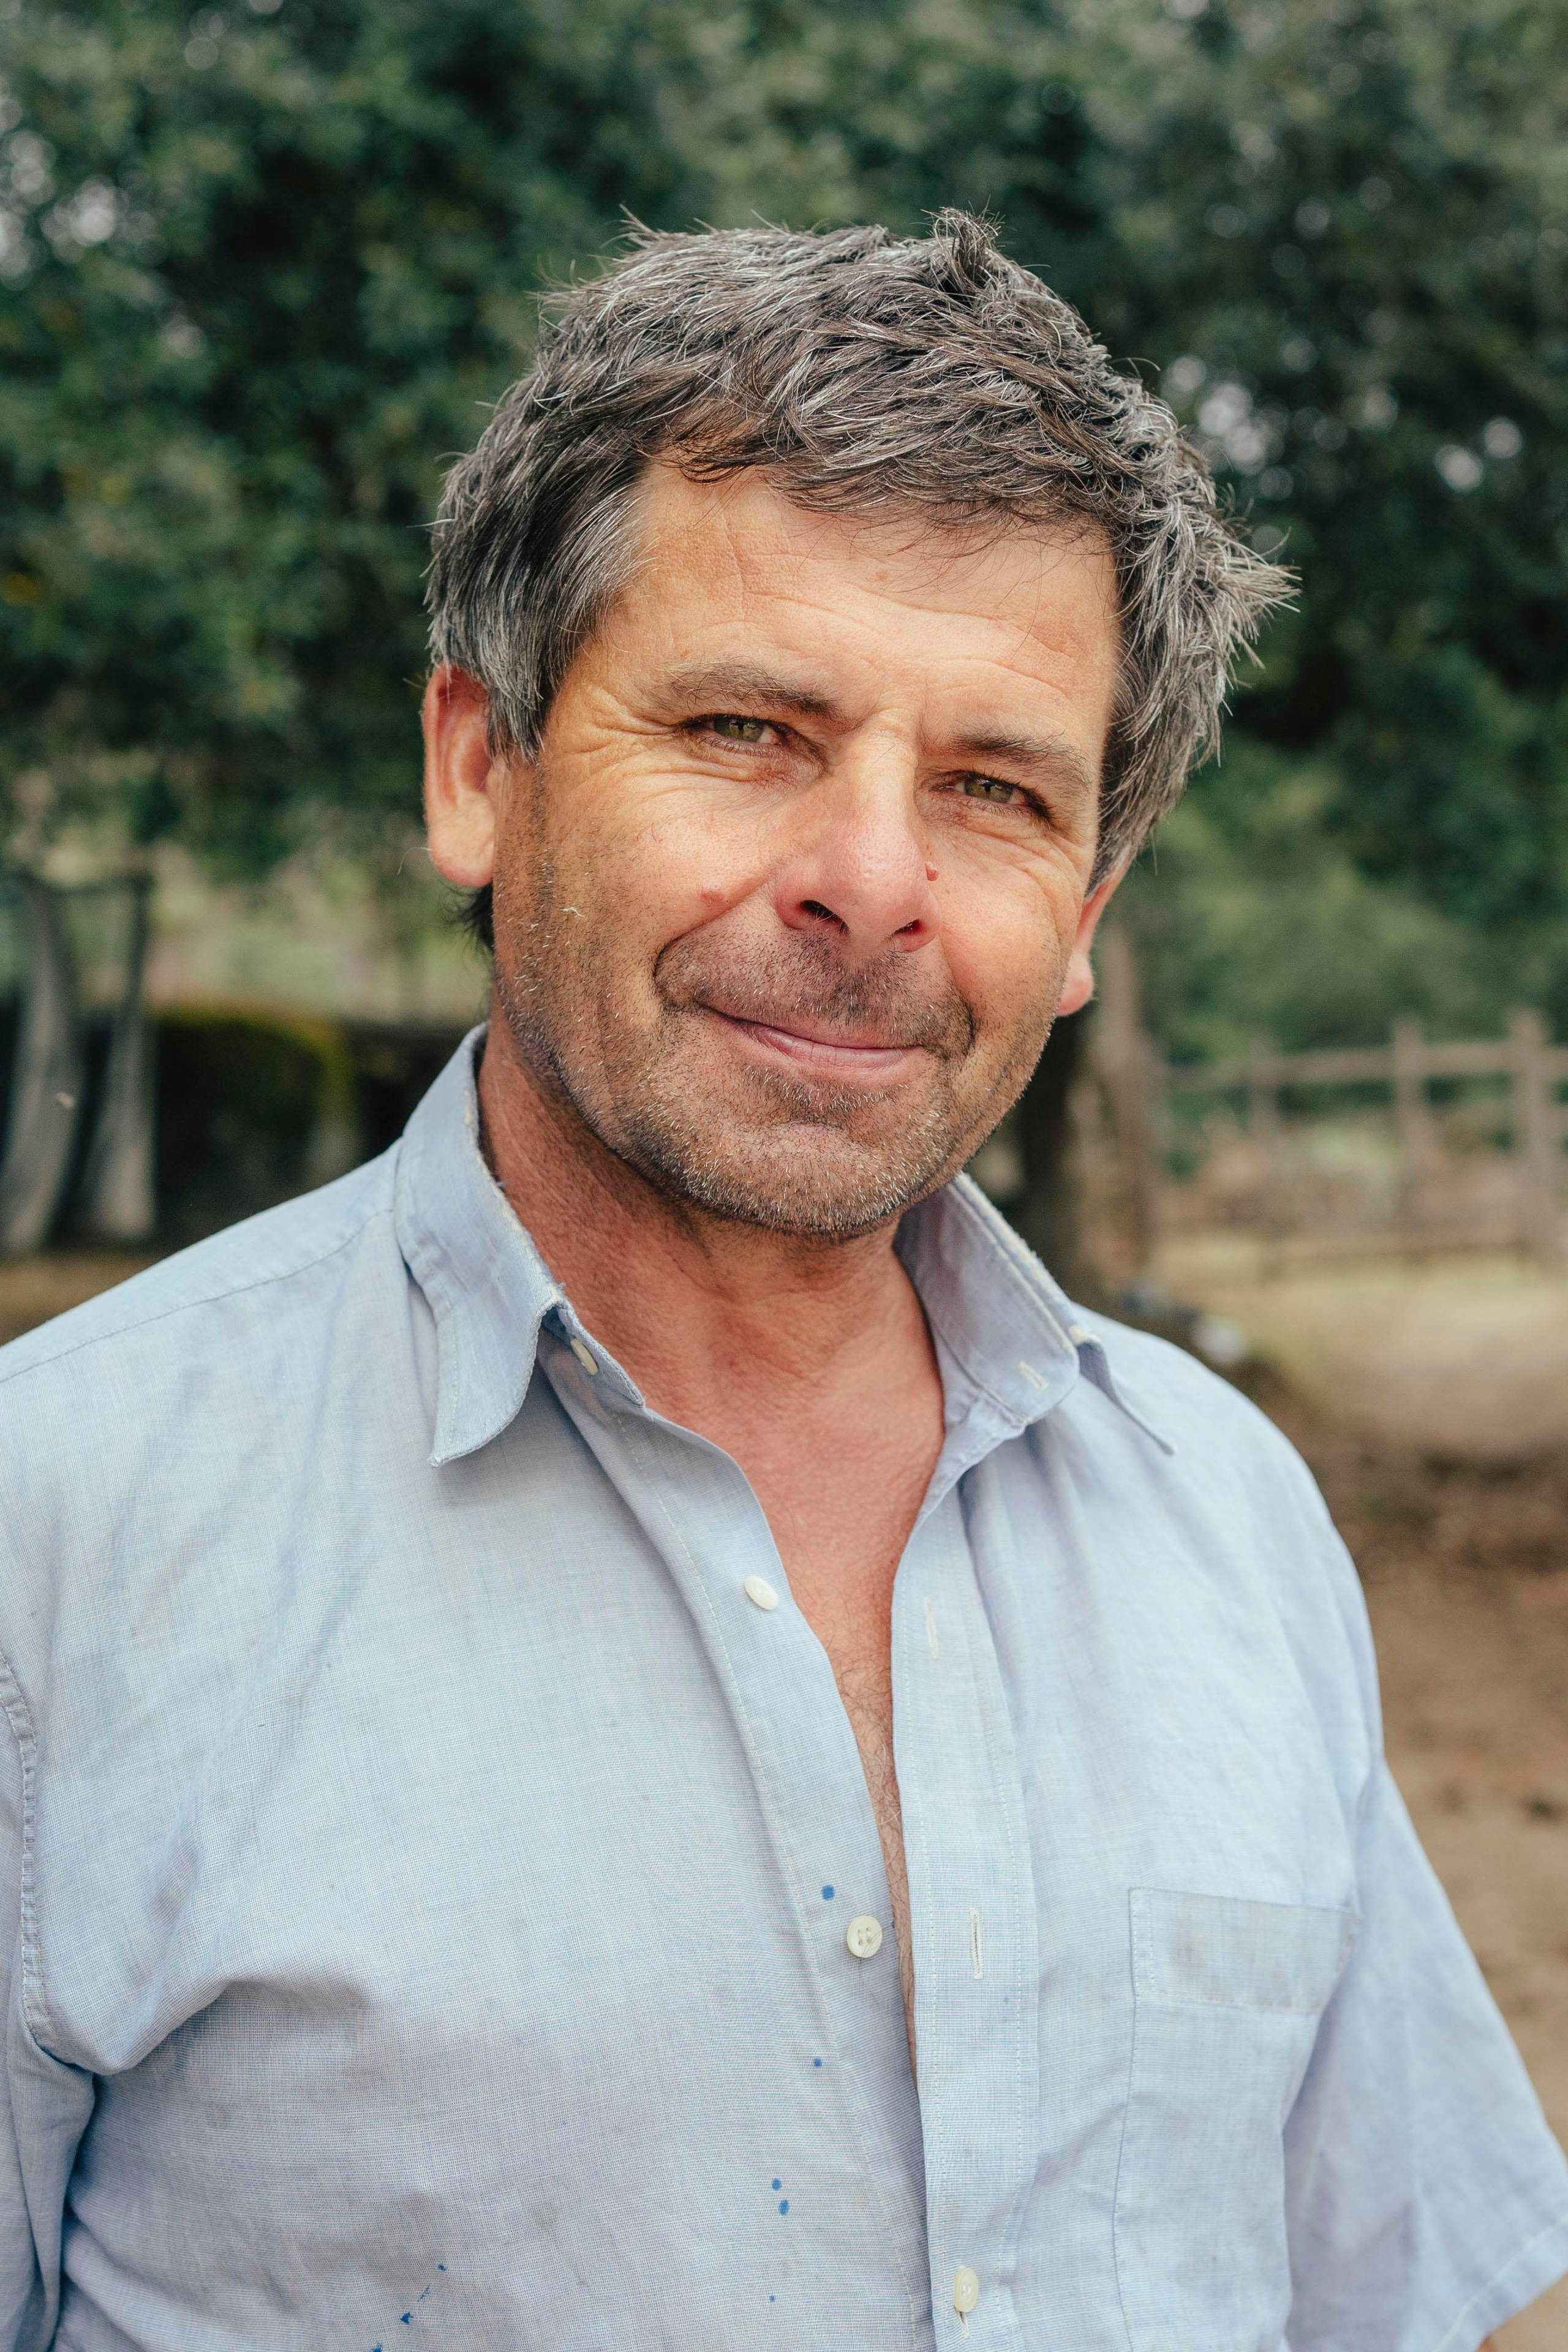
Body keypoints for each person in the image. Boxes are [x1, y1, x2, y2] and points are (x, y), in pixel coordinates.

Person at [0, 213, 1561, 2352]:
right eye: (747, 729)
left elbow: (1414, 2301)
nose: (874, 884)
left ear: (1090, 901)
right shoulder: (56, 1540)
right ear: (479, 764)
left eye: (998, 789)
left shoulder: (1227, 1516)